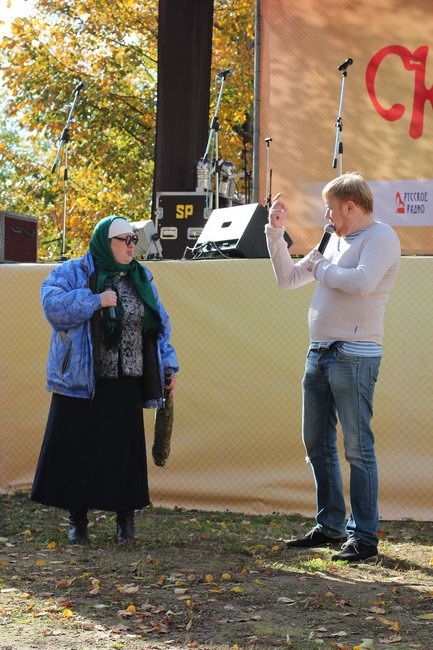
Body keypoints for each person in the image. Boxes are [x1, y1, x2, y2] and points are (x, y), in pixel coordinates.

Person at [265, 172, 400, 562]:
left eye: (330, 208)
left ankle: (364, 537)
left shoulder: (381, 237)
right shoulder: (332, 240)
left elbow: (362, 283)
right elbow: (288, 279)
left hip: (354, 355)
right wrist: (275, 233)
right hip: (320, 353)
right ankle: (330, 526)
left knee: (357, 447)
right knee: (316, 443)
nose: (326, 215)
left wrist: (322, 268)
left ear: (350, 206)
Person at [31, 216, 179, 544]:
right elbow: (52, 308)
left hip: (127, 378)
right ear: (105, 242)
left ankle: (125, 520)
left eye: (133, 239)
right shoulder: (74, 272)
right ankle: (78, 520)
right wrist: (94, 300)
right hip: (82, 380)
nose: (131, 245)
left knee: (123, 453)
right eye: (124, 239)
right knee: (77, 450)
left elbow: (160, 325)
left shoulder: (140, 277)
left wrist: (168, 366)